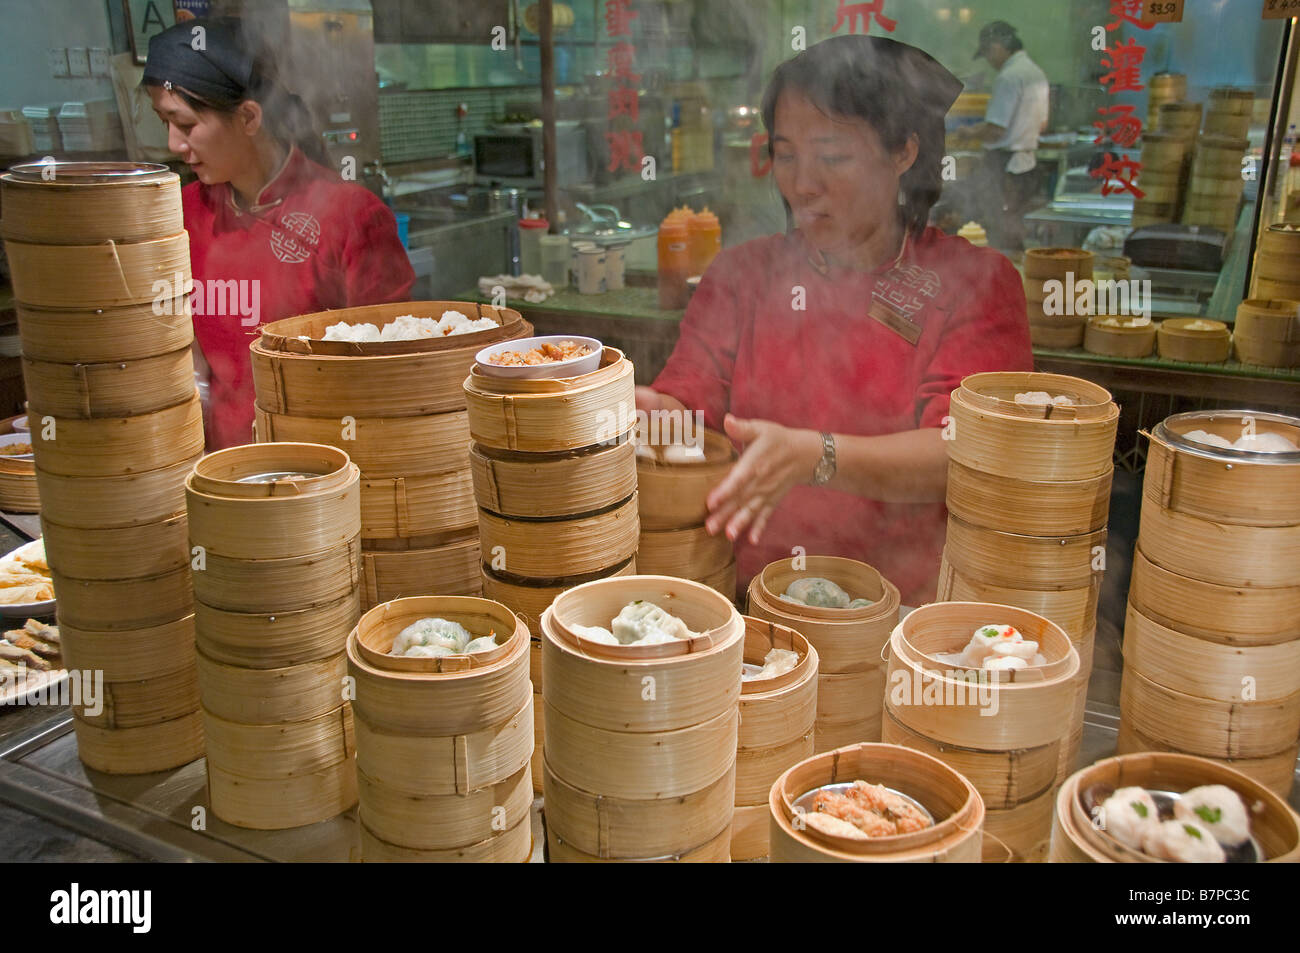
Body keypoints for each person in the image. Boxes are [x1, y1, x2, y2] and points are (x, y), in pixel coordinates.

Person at [636, 35, 1033, 607]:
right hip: (747, 601)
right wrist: (654, 413)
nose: (802, 184)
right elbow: (692, 401)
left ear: (904, 153)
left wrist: (817, 456)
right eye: (786, 154)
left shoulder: (975, 283)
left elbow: (968, 453)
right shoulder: (742, 275)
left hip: (905, 616)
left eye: (832, 157)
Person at [143, 18, 414, 449]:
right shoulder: (180, 214)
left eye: (186, 125)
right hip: (221, 465)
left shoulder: (351, 215)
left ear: (248, 117)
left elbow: (395, 368)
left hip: (329, 468)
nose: (174, 144)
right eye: (165, 123)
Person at [960, 21, 1050, 251]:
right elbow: (1043, 124)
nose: (989, 61)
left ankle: (1001, 273)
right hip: (1027, 164)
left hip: (1004, 167)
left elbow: (996, 129)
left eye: (988, 53)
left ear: (998, 47)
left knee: (999, 227)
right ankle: (1014, 271)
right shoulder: (1036, 73)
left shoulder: (1008, 77)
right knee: (1015, 223)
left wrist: (968, 132)